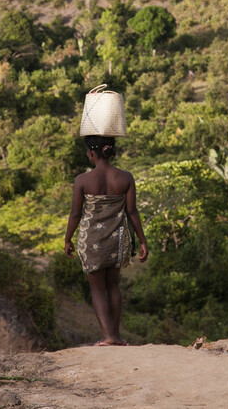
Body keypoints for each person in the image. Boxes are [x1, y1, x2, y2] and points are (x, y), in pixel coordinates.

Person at [64, 135, 148, 346]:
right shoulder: (125, 178)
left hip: (91, 240)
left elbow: (75, 214)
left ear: (92, 153)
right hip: (117, 239)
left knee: (97, 289)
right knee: (113, 286)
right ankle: (116, 336)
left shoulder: (82, 180)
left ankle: (108, 336)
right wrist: (143, 241)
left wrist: (67, 239)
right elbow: (132, 212)